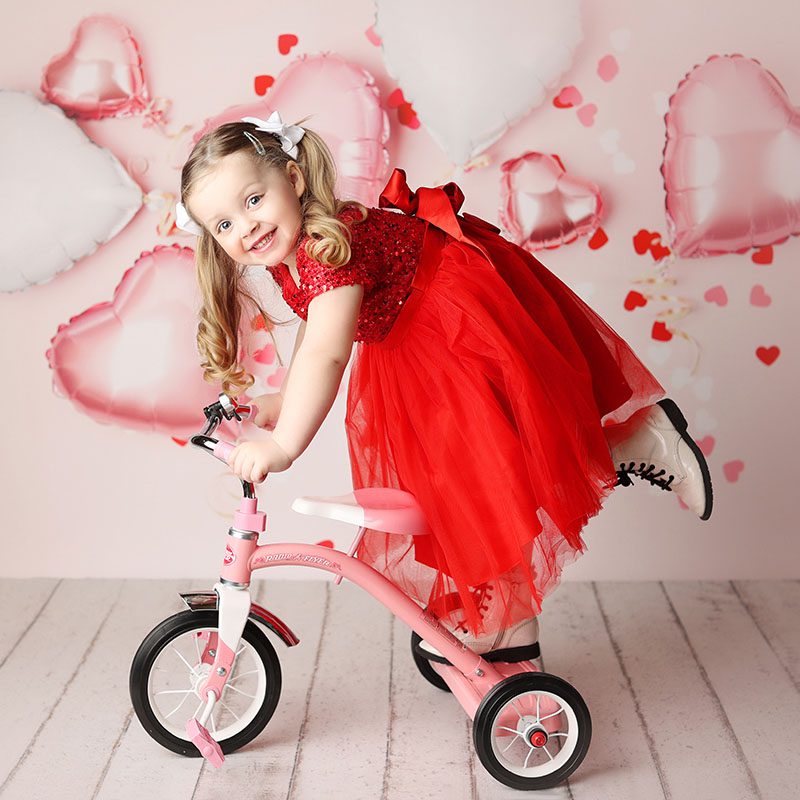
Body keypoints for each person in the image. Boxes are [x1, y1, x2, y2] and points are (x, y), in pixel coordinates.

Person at [175, 111, 713, 663]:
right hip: (410, 338)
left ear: (292, 179)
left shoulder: (321, 246)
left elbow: (329, 352)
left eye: (253, 201)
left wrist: (285, 443)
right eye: (223, 225)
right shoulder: (292, 255)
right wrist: (285, 399)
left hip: (449, 319)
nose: (246, 228)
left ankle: (516, 627)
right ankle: (507, 609)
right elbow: (316, 330)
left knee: (483, 479)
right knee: (454, 486)